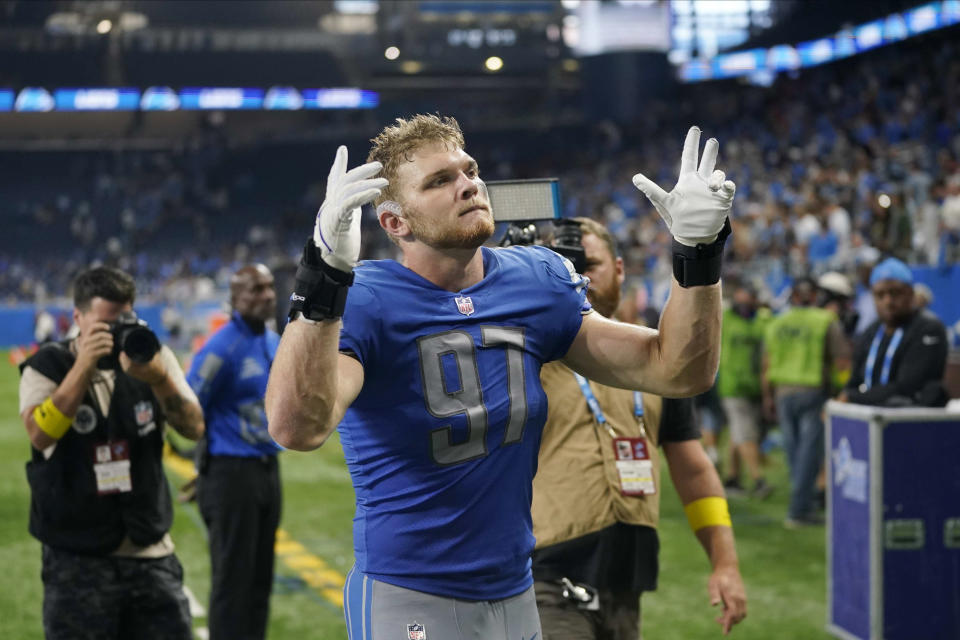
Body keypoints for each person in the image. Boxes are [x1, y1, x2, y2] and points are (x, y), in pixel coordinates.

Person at [266, 116, 735, 639]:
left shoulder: (536, 279)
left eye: (469, 170)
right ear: (395, 223)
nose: (468, 184)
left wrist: (698, 252)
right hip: (410, 592)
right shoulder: (367, 299)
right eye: (439, 181)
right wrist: (324, 276)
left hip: (516, 589)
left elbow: (676, 370)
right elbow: (296, 428)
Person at [531, 217, 746, 639]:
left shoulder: (657, 361)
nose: (577, 276)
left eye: (587, 264)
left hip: (627, 580)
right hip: (545, 575)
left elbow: (694, 470)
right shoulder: (528, 352)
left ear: (619, 268)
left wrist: (725, 563)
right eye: (560, 266)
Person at [17, 266, 205, 639]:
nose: (117, 332)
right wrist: (84, 365)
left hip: (148, 551)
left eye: (125, 320)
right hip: (76, 558)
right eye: (106, 323)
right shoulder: (47, 365)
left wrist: (159, 377)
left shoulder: (152, 356)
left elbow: (194, 428)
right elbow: (40, 435)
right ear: (78, 318)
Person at [186, 264, 281, 640]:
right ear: (235, 299)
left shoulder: (272, 340)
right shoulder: (220, 348)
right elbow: (189, 406)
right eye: (256, 289)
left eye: (270, 287)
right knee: (232, 582)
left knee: (261, 579)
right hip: (231, 473)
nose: (267, 295)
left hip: (267, 470)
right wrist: (204, 467)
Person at [762, 278, 850, 528]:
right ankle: (799, 510)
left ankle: (804, 503)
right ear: (814, 297)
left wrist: (767, 396)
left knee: (794, 453)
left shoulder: (777, 323)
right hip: (813, 391)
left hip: (782, 392)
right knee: (809, 454)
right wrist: (844, 389)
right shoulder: (824, 321)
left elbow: (766, 363)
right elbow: (842, 359)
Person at [840, 258, 948, 407]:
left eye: (895, 293)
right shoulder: (871, 332)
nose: (888, 301)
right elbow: (854, 381)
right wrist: (845, 396)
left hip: (909, 424)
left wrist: (852, 398)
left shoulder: (928, 328)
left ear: (910, 293)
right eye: (880, 295)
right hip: (868, 421)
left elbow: (907, 387)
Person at [717, 284, 771, 499]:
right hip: (732, 386)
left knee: (739, 433)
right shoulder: (726, 318)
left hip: (754, 386)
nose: (744, 304)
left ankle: (732, 478)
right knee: (745, 433)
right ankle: (758, 480)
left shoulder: (760, 321)